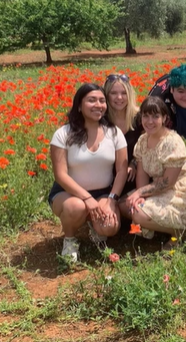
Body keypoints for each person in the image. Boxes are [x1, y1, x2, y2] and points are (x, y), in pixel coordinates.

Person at [48, 83, 128, 262]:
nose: (98, 105)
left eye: (101, 100)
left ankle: (95, 225)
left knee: (110, 227)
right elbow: (60, 175)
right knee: (76, 207)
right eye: (91, 100)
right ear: (79, 105)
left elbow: (122, 170)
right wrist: (87, 199)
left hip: (103, 193)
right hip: (68, 194)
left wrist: (111, 199)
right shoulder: (63, 134)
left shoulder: (114, 133)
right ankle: (69, 240)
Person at [124, 96, 186, 250]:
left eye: (155, 116)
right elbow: (142, 173)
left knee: (138, 214)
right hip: (155, 188)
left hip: (178, 192)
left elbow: (168, 182)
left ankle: (180, 231)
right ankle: (153, 225)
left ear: (165, 118)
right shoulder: (142, 140)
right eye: (146, 116)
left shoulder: (172, 142)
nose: (150, 121)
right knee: (124, 206)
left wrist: (140, 192)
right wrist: (140, 197)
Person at [103, 73, 143, 196]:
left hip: (135, 175)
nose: (119, 97)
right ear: (106, 95)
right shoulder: (101, 119)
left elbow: (148, 145)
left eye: (124, 93)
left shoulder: (140, 117)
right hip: (107, 176)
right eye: (113, 93)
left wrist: (134, 163)